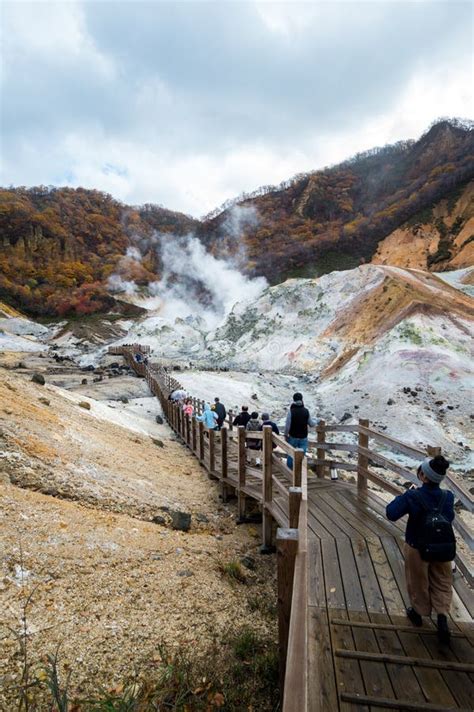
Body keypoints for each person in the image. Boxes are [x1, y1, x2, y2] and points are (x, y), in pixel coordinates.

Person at [386, 455, 455, 644]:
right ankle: (442, 618)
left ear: (423, 475)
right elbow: (449, 518)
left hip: (417, 546)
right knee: (442, 581)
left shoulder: (414, 495)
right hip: (442, 547)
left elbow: (391, 513)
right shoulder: (448, 497)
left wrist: (406, 494)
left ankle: (418, 613)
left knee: (418, 581)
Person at [284, 392, 317, 468]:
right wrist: (317, 421)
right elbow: (311, 424)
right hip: (303, 437)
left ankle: (290, 472)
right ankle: (300, 471)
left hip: (293, 436)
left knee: (291, 454)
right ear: (302, 399)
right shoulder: (306, 411)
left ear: (293, 400)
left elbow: (287, 426)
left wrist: (286, 435)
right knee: (302, 455)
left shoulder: (291, 411)